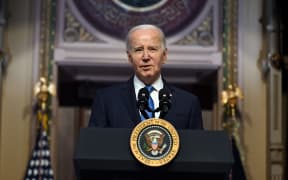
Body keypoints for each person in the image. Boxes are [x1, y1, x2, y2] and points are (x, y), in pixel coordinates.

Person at [88, 24, 203, 129]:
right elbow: (94, 146)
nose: (146, 56)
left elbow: (197, 148)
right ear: (129, 57)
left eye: (152, 49)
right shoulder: (107, 99)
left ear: (164, 56)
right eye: (138, 50)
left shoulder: (188, 102)